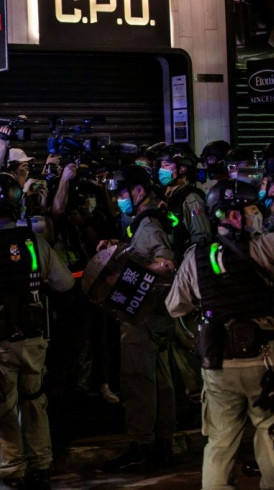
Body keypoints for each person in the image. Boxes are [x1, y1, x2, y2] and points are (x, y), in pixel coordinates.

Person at [165, 179, 274, 490]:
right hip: (265, 361)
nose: (257, 214)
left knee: (220, 440)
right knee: (269, 430)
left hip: (218, 364)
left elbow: (175, 306)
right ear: (234, 216)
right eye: (252, 209)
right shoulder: (263, 247)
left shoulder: (194, 257)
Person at [0, 172, 75, 489]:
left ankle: (10, 471)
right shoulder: (35, 243)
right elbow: (65, 283)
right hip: (35, 339)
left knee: (1, 409)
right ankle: (41, 463)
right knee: (34, 400)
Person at [100, 164, 178, 472]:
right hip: (156, 315)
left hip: (143, 316)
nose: (119, 199)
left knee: (138, 381)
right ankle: (162, 444)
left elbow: (166, 264)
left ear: (138, 191)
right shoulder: (149, 221)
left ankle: (143, 445)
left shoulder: (148, 225)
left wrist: (126, 263)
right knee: (161, 382)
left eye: (121, 193)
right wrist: (120, 249)